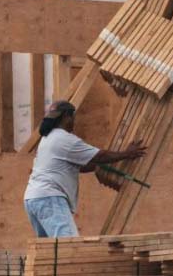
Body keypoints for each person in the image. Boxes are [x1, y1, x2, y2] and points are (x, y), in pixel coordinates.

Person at [23, 100, 147, 238]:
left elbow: (81, 166)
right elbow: (100, 156)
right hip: (50, 198)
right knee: (68, 245)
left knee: (49, 250)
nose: (73, 122)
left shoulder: (47, 139)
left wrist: (103, 167)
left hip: (33, 198)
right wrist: (126, 154)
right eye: (72, 118)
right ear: (66, 117)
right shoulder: (65, 139)